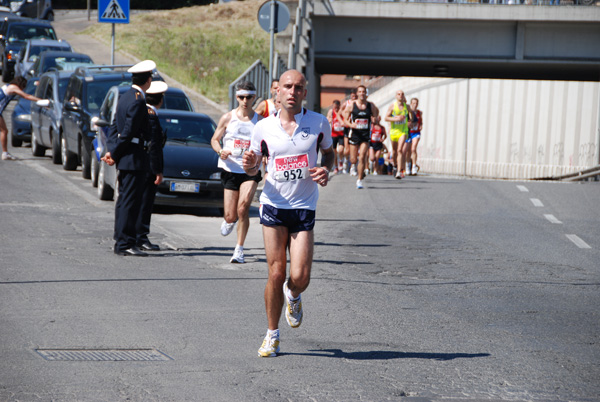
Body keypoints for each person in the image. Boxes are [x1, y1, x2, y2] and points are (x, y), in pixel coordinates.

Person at [242, 69, 334, 358]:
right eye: (287, 87)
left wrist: (326, 168)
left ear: (305, 93)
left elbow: (329, 153)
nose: (292, 92)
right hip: (273, 205)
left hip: (303, 207)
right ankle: (272, 335)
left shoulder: (319, 122)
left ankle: (293, 294)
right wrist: (249, 164)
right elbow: (253, 166)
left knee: (300, 276)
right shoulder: (262, 127)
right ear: (277, 92)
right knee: (276, 272)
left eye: (299, 87)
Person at [102, 60, 155, 257]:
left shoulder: (125, 97)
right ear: (148, 80)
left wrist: (111, 150)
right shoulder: (138, 100)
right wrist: (114, 154)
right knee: (130, 202)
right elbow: (128, 131)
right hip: (133, 157)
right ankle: (125, 242)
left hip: (127, 156)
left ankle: (123, 240)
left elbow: (114, 126)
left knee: (125, 200)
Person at [211, 81, 263, 264]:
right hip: (230, 169)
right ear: (237, 97)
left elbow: (266, 146)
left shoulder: (260, 121)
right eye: (242, 97)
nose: (245, 101)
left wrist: (262, 158)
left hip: (251, 171)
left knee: (243, 208)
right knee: (230, 215)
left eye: (249, 97)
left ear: (254, 97)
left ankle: (239, 250)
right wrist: (220, 151)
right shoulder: (228, 118)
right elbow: (215, 139)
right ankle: (229, 220)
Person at [135, 80, 167, 251]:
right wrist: (158, 171)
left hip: (140, 165)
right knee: (146, 202)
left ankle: (136, 235)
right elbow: (154, 146)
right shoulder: (152, 115)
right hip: (148, 168)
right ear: (161, 99)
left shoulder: (143, 111)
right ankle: (141, 236)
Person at [342, 85, 379, 189]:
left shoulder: (370, 106)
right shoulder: (351, 105)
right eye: (360, 91)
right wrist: (350, 125)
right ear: (357, 93)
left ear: (366, 93)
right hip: (354, 134)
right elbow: (345, 119)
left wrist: (374, 119)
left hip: (365, 135)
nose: (362, 93)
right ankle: (354, 166)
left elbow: (376, 115)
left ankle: (359, 180)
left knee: (362, 156)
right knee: (353, 159)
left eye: (364, 91)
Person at [0, 76, 42, 160]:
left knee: (4, 131)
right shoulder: (14, 88)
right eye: (23, 87)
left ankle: (5, 153)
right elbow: (26, 96)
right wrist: (40, 100)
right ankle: (5, 153)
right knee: (4, 131)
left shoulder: (8, 86)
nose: (22, 89)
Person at [384, 90, 411, 179]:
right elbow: (386, 118)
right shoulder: (392, 106)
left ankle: (399, 171)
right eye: (399, 94)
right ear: (396, 96)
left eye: (402, 94)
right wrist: (396, 119)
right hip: (394, 132)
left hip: (403, 131)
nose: (400, 95)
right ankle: (395, 165)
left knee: (400, 150)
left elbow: (412, 117)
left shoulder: (406, 107)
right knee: (395, 151)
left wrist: (410, 121)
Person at [339, 88, 357, 173]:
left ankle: (353, 166)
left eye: (355, 95)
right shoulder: (347, 103)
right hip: (347, 127)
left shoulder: (359, 103)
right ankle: (345, 161)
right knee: (347, 149)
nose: (354, 96)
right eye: (352, 95)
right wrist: (343, 119)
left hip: (355, 127)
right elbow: (339, 112)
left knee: (355, 148)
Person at [326, 99, 345, 173]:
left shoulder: (341, 112)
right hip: (333, 134)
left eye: (337, 107)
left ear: (339, 106)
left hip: (341, 134)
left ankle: (341, 161)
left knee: (340, 150)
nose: (336, 109)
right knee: (334, 152)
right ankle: (336, 166)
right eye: (334, 107)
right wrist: (329, 120)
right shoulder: (331, 111)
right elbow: (327, 118)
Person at [407, 97, 423, 176]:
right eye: (413, 103)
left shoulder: (419, 113)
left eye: (416, 103)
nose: (415, 105)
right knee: (408, 150)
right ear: (410, 104)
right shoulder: (408, 112)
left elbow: (421, 121)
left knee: (413, 148)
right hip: (408, 132)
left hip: (416, 133)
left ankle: (414, 166)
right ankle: (407, 166)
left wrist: (420, 125)